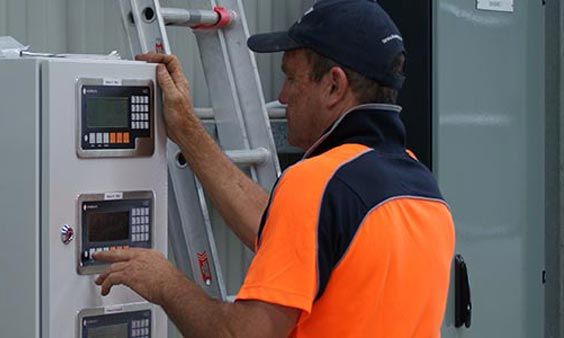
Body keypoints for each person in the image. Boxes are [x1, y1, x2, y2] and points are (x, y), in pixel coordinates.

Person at [92, 0, 456, 336]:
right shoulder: (422, 191)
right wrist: (186, 127)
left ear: (334, 85)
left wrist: (164, 282)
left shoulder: (317, 185)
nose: (282, 96)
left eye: (291, 78)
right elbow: (283, 230)